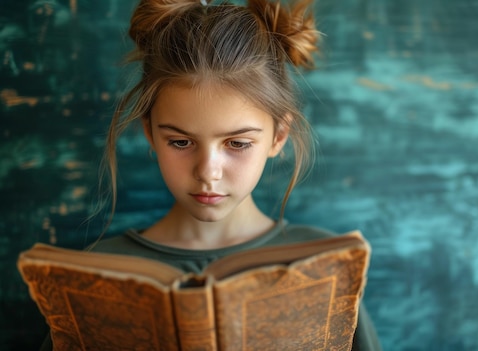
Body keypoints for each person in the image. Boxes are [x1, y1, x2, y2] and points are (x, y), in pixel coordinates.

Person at [39, 0, 381, 349]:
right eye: (181, 141)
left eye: (237, 143)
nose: (207, 172)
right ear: (150, 133)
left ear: (278, 137)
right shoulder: (92, 275)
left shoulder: (324, 266)